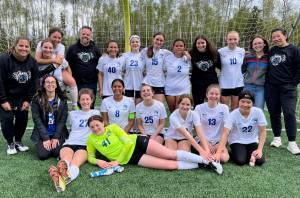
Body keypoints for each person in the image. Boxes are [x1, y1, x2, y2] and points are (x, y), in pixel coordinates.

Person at [86, 115, 223, 174]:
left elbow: (127, 143)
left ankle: (208, 160)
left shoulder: (113, 127)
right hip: (133, 159)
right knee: (170, 165)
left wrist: (117, 161)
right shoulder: (91, 140)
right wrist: (98, 161)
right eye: (92, 127)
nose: (96, 129)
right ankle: (204, 164)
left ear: (103, 123)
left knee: (169, 154)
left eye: (97, 125)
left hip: (137, 143)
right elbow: (90, 156)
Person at [48, 88, 100, 192]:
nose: (85, 102)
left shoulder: (96, 113)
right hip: (70, 142)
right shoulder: (73, 114)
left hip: (85, 145)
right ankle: (62, 179)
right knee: (65, 160)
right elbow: (62, 124)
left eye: (87, 99)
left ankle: (60, 180)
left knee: (75, 162)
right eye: (82, 99)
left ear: (92, 100)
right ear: (79, 101)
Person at [0, 37, 39, 155]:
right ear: (15, 46)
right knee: (7, 118)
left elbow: (34, 82)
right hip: (6, 96)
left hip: (22, 97)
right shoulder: (4, 59)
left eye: (26, 46)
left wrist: (28, 100)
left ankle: (18, 141)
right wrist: (3, 100)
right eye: (21, 46)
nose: (24, 48)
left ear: (29, 48)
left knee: (22, 118)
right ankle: (10, 143)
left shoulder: (32, 62)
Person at [265, 28, 300, 154]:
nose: (276, 39)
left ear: (285, 36)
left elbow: (299, 68)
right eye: (273, 37)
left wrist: (292, 83)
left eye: (278, 36)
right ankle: (277, 138)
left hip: (288, 88)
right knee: (274, 113)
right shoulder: (272, 51)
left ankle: (292, 143)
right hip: (272, 88)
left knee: (289, 113)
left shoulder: (294, 50)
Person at [215, 90, 267, 166]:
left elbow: (263, 131)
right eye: (242, 101)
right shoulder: (233, 114)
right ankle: (233, 152)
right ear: (238, 102)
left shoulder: (258, 112)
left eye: (248, 102)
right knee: (240, 161)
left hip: (252, 141)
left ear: (253, 103)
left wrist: (259, 149)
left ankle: (248, 154)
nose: (245, 104)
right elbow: (225, 133)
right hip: (237, 141)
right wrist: (218, 152)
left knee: (260, 161)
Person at [31, 75, 68, 160]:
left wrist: (55, 137)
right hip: (43, 133)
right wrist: (45, 138)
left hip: (57, 132)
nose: (50, 84)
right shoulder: (37, 99)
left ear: (56, 85)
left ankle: (55, 144)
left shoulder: (62, 99)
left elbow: (62, 120)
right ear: (43, 85)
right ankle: (47, 144)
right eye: (47, 82)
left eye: (52, 82)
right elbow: (37, 120)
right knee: (43, 155)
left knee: (56, 153)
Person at [164, 95, 212, 161]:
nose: (185, 107)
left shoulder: (194, 114)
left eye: (188, 104)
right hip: (172, 137)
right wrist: (201, 151)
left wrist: (207, 150)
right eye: (182, 104)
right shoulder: (173, 116)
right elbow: (185, 133)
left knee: (183, 157)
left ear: (191, 106)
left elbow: (200, 132)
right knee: (172, 157)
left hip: (185, 138)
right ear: (178, 104)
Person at [38, 38, 78, 109]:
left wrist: (68, 80)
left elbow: (67, 66)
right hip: (44, 92)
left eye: (50, 48)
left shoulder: (59, 59)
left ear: (53, 49)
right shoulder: (37, 61)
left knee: (60, 113)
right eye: (45, 47)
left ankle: (75, 105)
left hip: (59, 90)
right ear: (41, 48)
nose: (48, 50)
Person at [194, 84, 230, 163]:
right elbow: (197, 129)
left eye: (216, 94)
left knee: (224, 158)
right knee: (206, 156)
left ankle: (212, 159)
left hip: (219, 140)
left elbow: (226, 130)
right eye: (211, 93)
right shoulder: (198, 108)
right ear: (207, 94)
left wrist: (219, 145)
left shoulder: (224, 108)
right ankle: (211, 159)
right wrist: (206, 144)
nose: (214, 96)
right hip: (203, 140)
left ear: (220, 95)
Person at [66, 26, 101, 104]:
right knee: (78, 106)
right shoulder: (72, 49)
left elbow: (100, 66)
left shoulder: (96, 49)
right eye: (83, 34)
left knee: (90, 106)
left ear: (91, 36)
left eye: (88, 35)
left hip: (92, 83)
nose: (85, 36)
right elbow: (67, 66)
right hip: (77, 83)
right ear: (80, 34)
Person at [190, 35, 221, 106]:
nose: (200, 45)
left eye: (203, 43)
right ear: (195, 44)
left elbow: (221, 66)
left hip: (211, 83)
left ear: (207, 43)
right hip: (197, 84)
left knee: (213, 104)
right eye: (198, 43)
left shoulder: (214, 53)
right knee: (198, 105)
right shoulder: (191, 53)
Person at [141, 32, 172, 102]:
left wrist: (186, 55)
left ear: (163, 42)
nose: (158, 42)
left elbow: (177, 56)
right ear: (153, 39)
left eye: (161, 40)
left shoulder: (165, 53)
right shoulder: (145, 51)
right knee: (147, 106)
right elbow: (137, 60)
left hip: (160, 83)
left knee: (158, 107)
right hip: (147, 83)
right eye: (157, 39)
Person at [218, 31, 245, 110]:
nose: (232, 41)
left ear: (238, 39)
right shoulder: (220, 51)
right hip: (224, 84)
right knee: (224, 110)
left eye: (235, 39)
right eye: (230, 39)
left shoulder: (242, 51)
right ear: (226, 40)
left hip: (238, 84)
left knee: (235, 110)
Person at [164, 39, 192, 112]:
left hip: (183, 89)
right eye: (176, 46)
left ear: (184, 47)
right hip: (170, 89)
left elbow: (195, 68)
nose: (179, 47)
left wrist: (189, 59)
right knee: (172, 112)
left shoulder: (188, 58)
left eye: (181, 46)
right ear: (173, 47)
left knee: (180, 111)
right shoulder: (167, 58)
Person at [242, 35, 269, 109]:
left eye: (260, 43)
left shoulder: (268, 58)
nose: (257, 45)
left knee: (258, 109)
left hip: (261, 88)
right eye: (255, 44)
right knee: (245, 108)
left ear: (264, 44)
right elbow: (242, 70)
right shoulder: (247, 57)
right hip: (247, 86)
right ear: (252, 46)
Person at [122, 35, 145, 104]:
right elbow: (121, 70)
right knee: (130, 110)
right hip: (128, 86)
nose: (135, 43)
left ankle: (137, 116)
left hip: (140, 86)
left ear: (140, 43)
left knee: (138, 108)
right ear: (130, 44)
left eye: (137, 42)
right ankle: (131, 116)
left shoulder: (144, 56)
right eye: (133, 42)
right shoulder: (125, 56)